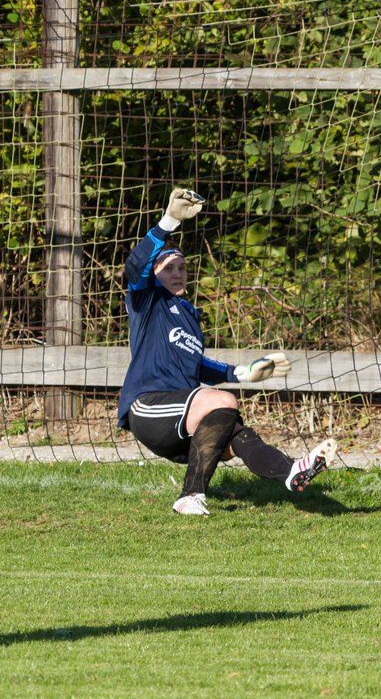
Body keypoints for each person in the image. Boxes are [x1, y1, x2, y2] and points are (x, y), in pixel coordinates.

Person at [119, 187, 338, 516]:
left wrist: (241, 373)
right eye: (168, 267)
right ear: (155, 275)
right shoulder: (147, 301)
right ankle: (193, 493)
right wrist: (168, 221)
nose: (177, 272)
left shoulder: (190, 317)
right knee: (222, 401)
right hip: (148, 406)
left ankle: (290, 472)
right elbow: (135, 267)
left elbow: (198, 364)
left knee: (235, 432)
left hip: (182, 414)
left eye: (182, 266)